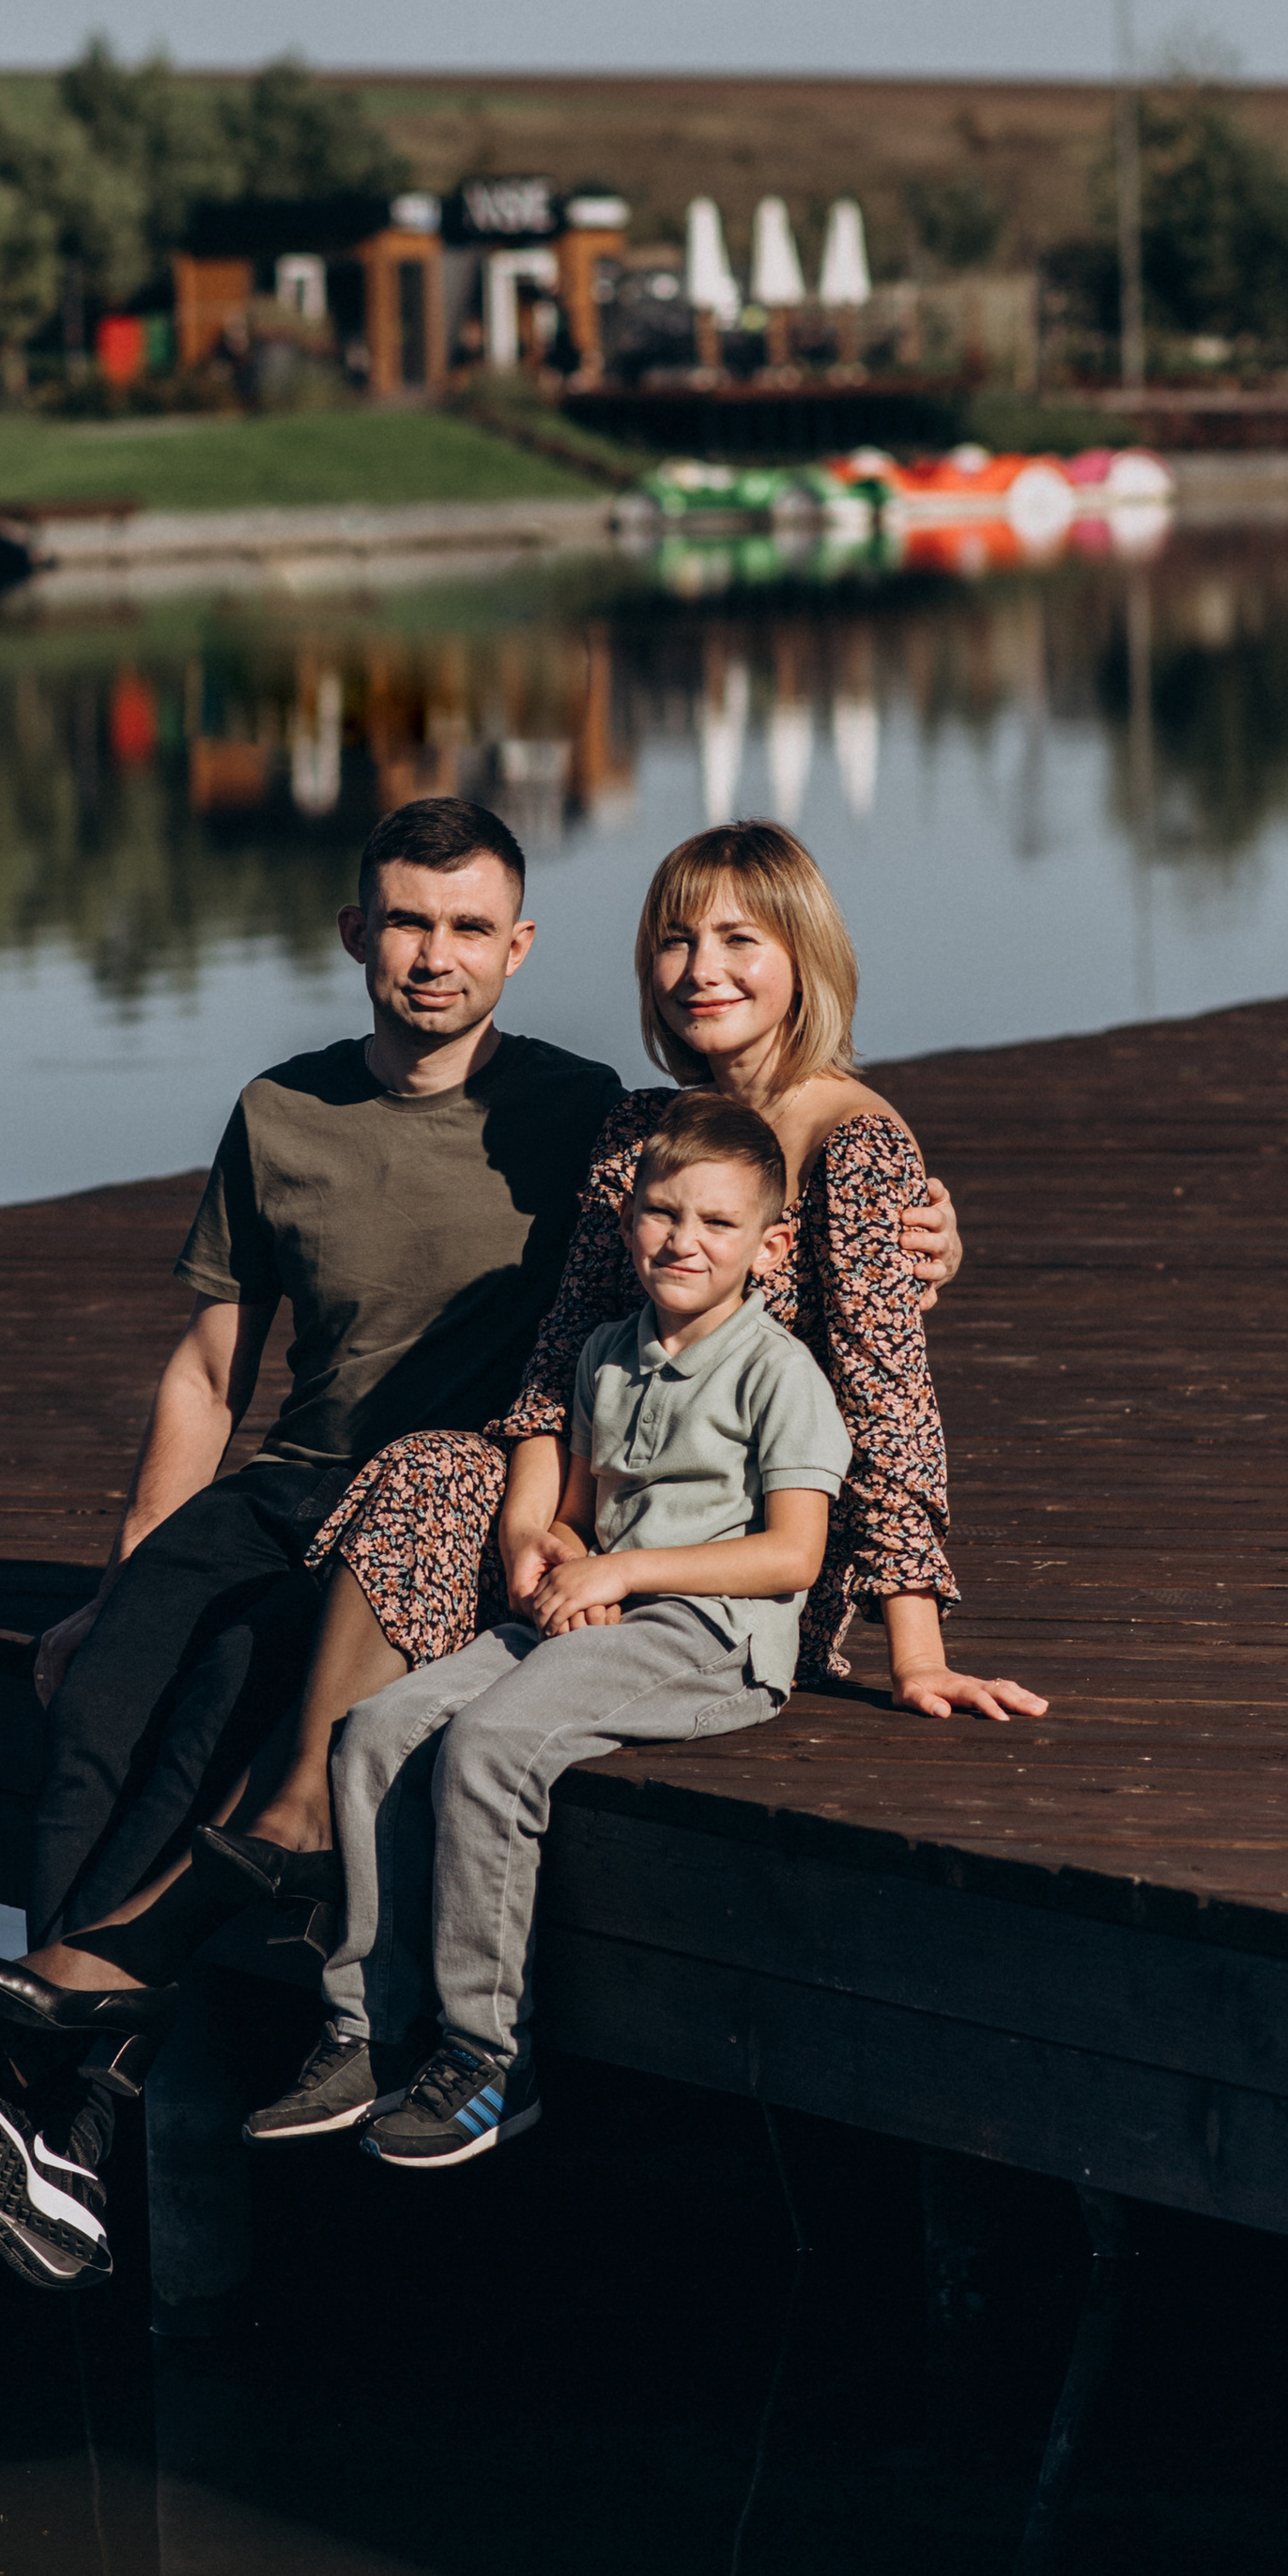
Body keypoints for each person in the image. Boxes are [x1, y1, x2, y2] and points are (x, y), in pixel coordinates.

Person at [0, 793, 621, 2285]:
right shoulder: (281, 1111)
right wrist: (119, 1582)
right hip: (291, 1478)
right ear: (352, 932)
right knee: (106, 1691)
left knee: (219, 1713)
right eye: (403, 922)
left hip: (433, 1508)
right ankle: (49, 2120)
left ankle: (17, 2093)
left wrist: (918, 1218)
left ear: (516, 946)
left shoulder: (580, 1110)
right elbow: (208, 1373)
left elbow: (753, 1177)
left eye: (464, 929)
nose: (431, 957)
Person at [207, 819, 1041, 1928]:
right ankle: (303, 1817)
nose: (702, 971)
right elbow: (562, 1355)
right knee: (428, 1470)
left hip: (752, 1552)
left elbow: (891, 1401)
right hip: (610, 1513)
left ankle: (295, 1856)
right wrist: (529, 1527)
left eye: (740, 940)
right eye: (674, 941)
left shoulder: (853, 1143)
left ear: (803, 956)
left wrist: (916, 1652)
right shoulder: (640, 1131)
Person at [240, 1092, 848, 2157]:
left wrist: (625, 1567)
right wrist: (561, 1549)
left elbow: (792, 1552)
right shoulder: (606, 1352)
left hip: (713, 1636)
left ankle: (487, 2055)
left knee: (489, 1743)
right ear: (624, 1222)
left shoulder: (776, 1369)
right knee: (376, 1729)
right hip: (595, 1614)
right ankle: (366, 2029)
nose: (683, 1240)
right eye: (662, 1212)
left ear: (771, 1242)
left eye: (716, 1222)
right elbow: (571, 1505)